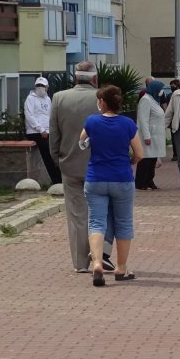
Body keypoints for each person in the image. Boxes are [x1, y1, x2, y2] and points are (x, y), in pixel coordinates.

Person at [49, 61, 114, 273]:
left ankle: (80, 263)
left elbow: (54, 136)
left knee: (77, 216)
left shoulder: (59, 98)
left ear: (75, 78)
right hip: (101, 166)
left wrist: (59, 159)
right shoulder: (101, 99)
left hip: (70, 165)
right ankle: (100, 255)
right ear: (95, 79)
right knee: (102, 213)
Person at [79, 85, 142, 287]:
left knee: (96, 222)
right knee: (123, 223)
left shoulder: (92, 121)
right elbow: (139, 153)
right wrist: (130, 162)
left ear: (102, 102)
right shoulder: (128, 124)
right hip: (122, 178)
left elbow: (81, 142)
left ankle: (97, 262)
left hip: (96, 177)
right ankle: (121, 268)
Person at [24, 76, 61, 185]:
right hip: (35, 132)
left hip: (47, 131)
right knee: (48, 154)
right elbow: (29, 115)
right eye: (38, 85)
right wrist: (41, 130)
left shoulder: (47, 99)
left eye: (42, 86)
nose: (40, 87)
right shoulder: (30, 98)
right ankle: (57, 180)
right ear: (35, 87)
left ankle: (59, 179)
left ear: (47, 87)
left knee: (54, 152)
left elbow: (50, 115)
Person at [135, 81, 166, 191]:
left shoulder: (154, 100)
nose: (162, 91)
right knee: (146, 160)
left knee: (152, 160)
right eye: (161, 89)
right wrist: (146, 136)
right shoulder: (145, 100)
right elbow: (143, 120)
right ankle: (140, 182)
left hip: (156, 136)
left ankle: (149, 180)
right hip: (149, 136)